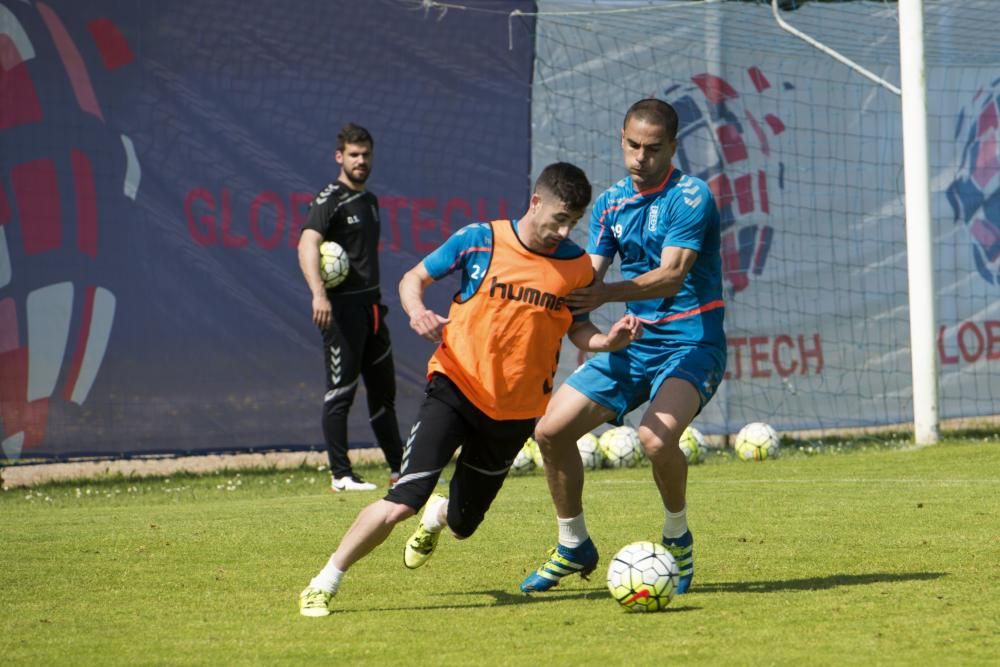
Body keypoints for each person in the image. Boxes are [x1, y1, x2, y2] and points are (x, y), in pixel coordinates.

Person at [298, 162, 643, 617]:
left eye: (573, 222)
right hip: (455, 387)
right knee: (403, 500)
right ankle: (324, 582)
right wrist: (417, 309)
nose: (563, 229)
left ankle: (440, 515)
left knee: (463, 526)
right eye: (558, 218)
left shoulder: (576, 267)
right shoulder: (480, 239)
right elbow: (412, 278)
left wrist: (607, 342)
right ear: (535, 202)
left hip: (516, 413)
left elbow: (581, 331)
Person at [520, 99, 726, 596]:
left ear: (673, 148)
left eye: (653, 148)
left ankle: (676, 535)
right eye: (633, 145)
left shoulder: (691, 196)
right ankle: (572, 544)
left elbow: (673, 275)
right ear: (622, 140)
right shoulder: (611, 202)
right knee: (550, 431)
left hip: (691, 341)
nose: (640, 157)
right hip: (633, 344)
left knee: (655, 440)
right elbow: (588, 273)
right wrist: (571, 314)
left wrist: (606, 294)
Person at [297, 122, 403, 492]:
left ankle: (398, 470)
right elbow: (307, 243)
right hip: (341, 313)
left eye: (365, 154)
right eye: (353, 155)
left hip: (373, 310)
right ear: (339, 157)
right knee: (340, 392)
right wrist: (318, 294)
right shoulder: (330, 198)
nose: (361, 161)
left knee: (383, 394)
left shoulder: (370, 201)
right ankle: (340, 474)